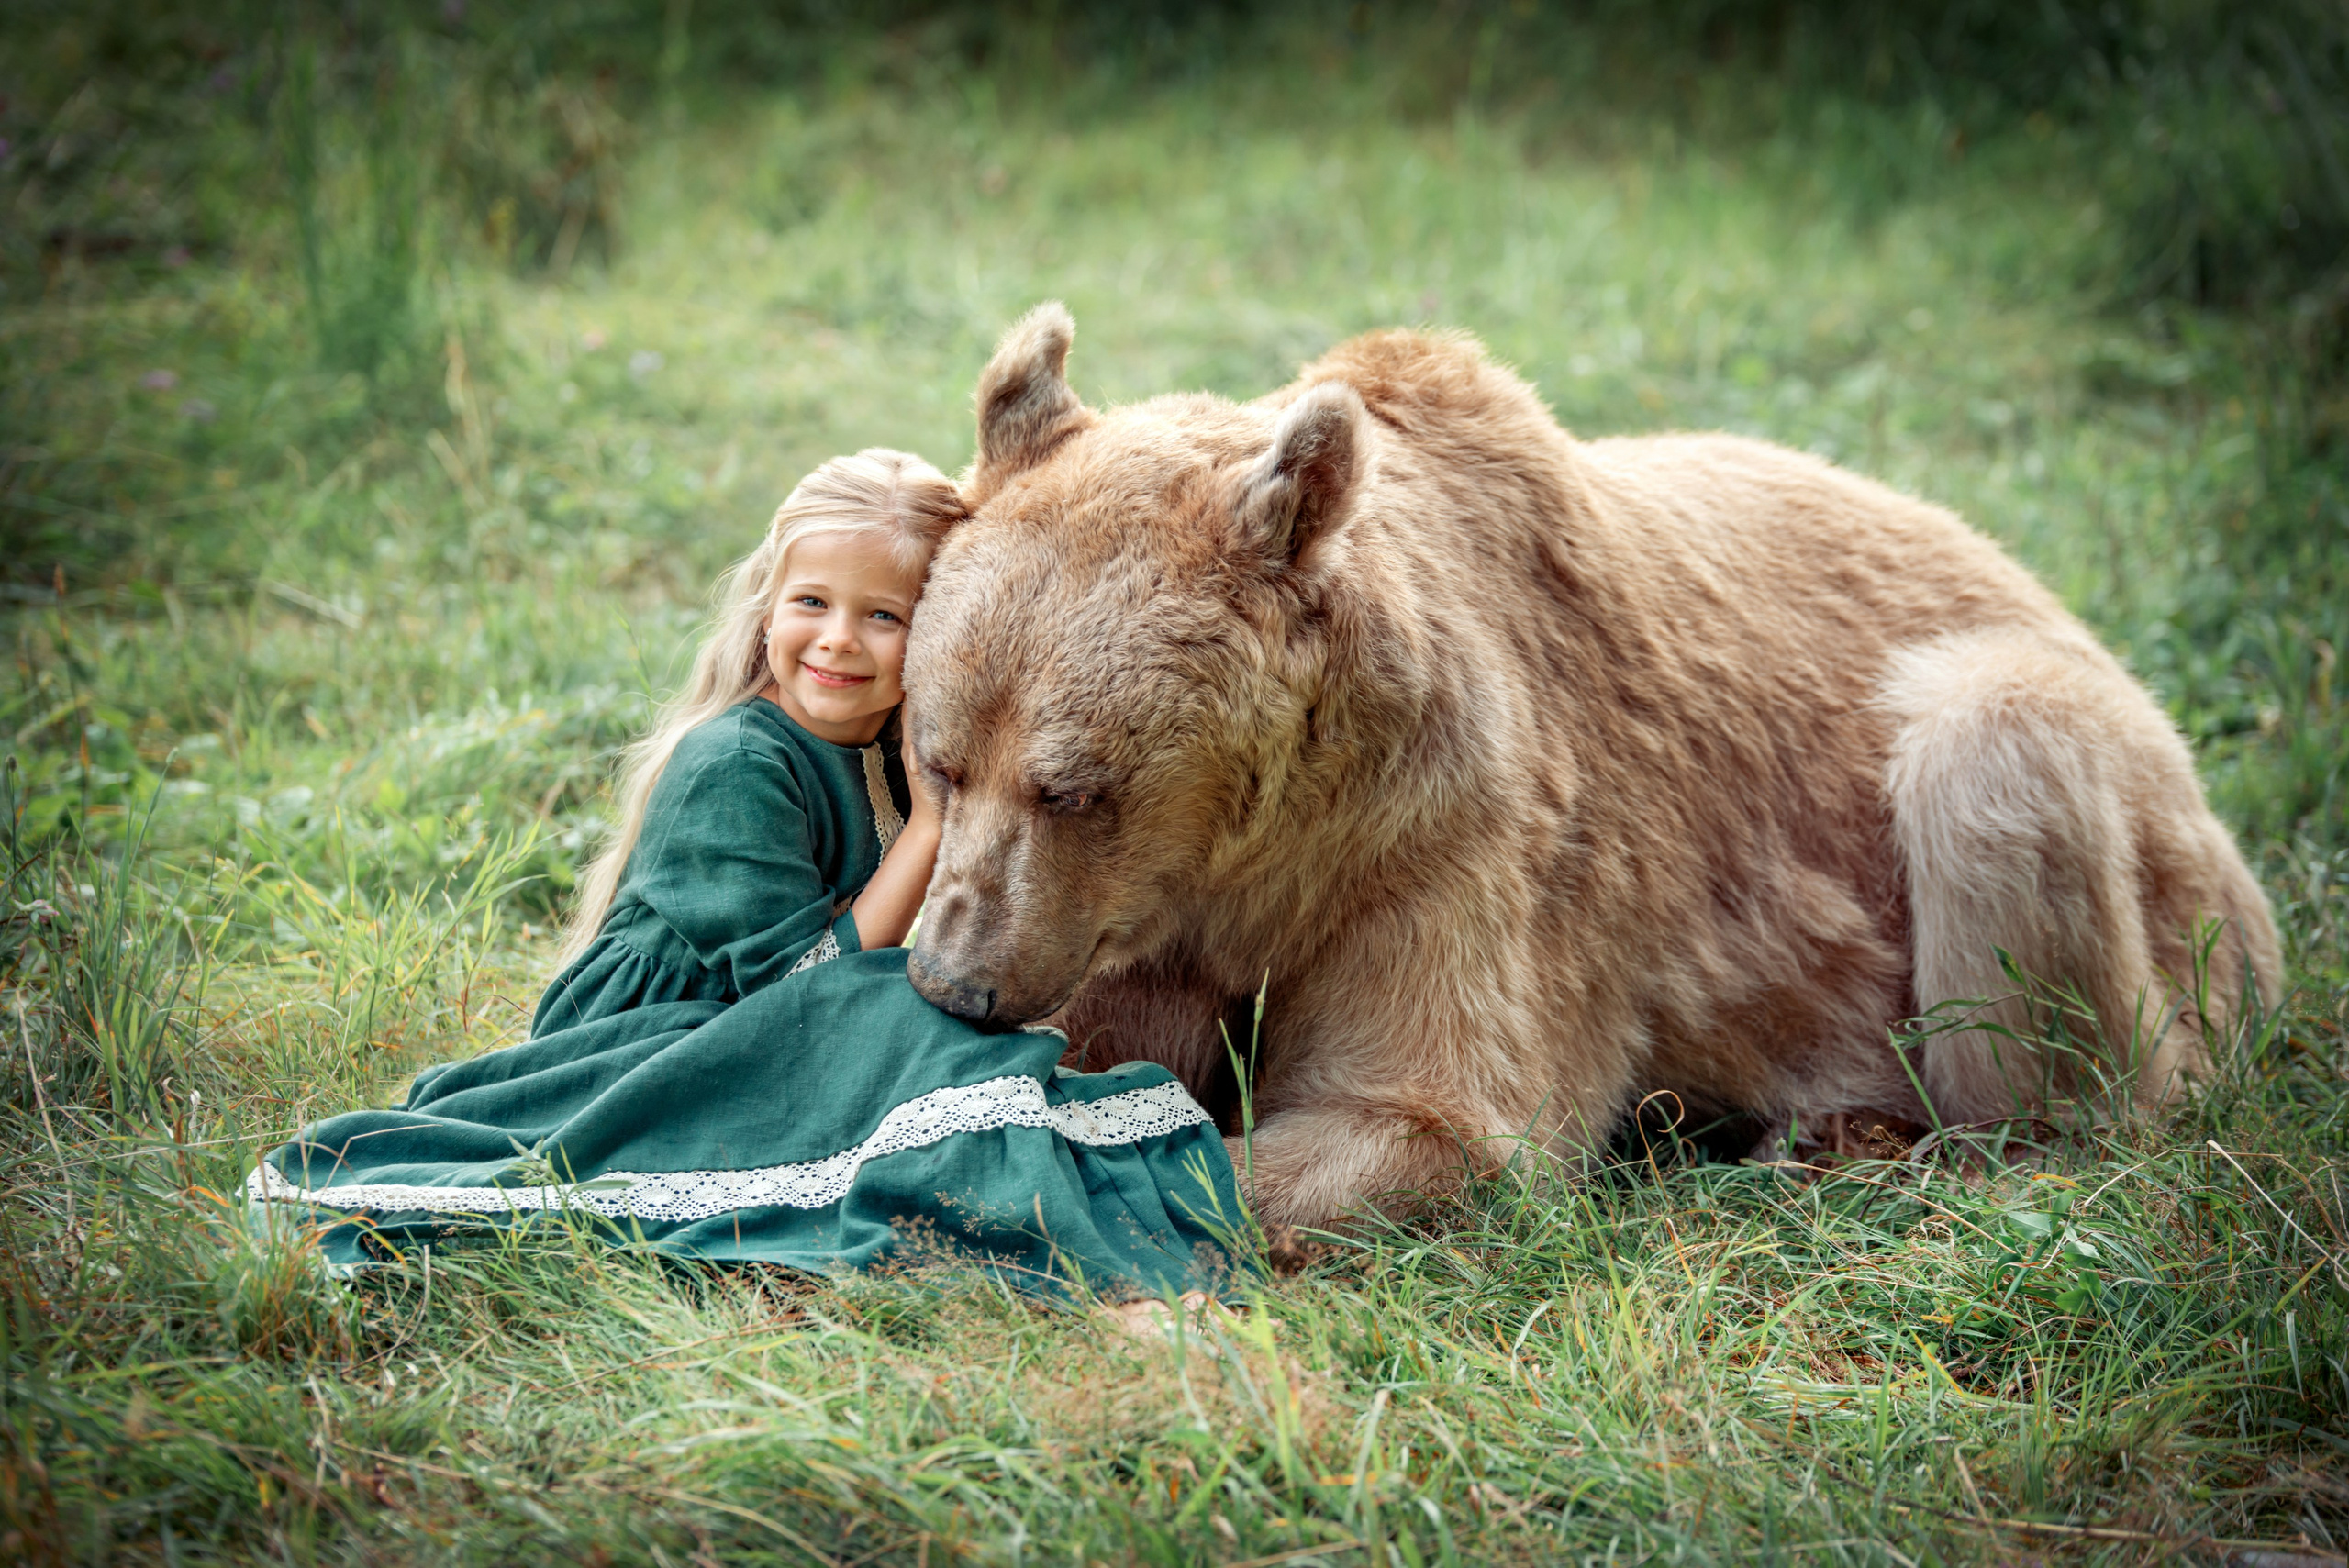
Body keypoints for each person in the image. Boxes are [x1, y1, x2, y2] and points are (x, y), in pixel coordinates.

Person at [248, 450, 1249, 1304]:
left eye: (885, 616)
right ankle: (1074, 1261)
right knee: (928, 1031)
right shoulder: (737, 763)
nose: (838, 641)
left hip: (811, 1009)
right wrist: (932, 821)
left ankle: (1069, 1211)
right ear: (768, 603)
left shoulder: (896, 740)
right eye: (810, 602)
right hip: (689, 1030)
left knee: (983, 1050)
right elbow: (799, 983)